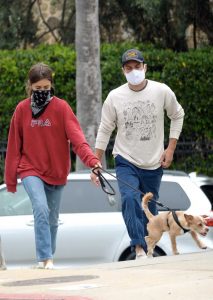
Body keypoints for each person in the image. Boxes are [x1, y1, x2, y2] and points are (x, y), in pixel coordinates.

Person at [4, 62, 101, 269]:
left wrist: (92, 161)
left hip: (56, 172)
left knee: (52, 220)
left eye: (46, 88)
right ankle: (44, 258)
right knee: (40, 208)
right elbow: (13, 146)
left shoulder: (61, 108)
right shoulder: (22, 110)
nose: (42, 92)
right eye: (37, 89)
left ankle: (48, 255)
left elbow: (78, 140)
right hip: (30, 168)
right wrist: (11, 179)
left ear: (51, 86)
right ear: (30, 87)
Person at [91, 49, 184, 259]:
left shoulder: (162, 91)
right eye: (129, 68)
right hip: (126, 160)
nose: (134, 71)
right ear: (123, 70)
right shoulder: (115, 97)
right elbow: (105, 129)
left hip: (153, 163)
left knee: (148, 207)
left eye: (137, 67)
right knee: (130, 198)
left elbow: (178, 115)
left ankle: (147, 247)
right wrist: (96, 161)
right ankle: (139, 247)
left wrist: (170, 148)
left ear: (145, 68)